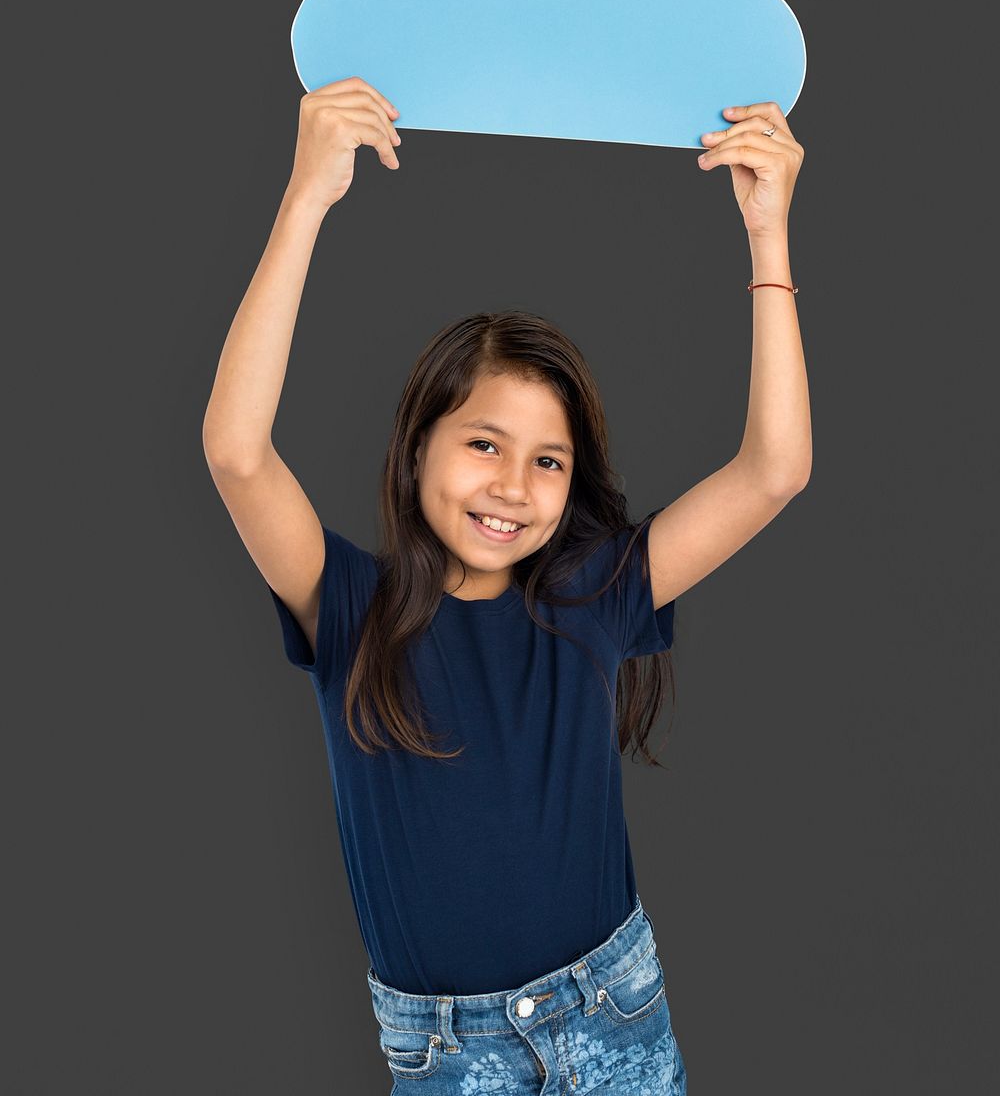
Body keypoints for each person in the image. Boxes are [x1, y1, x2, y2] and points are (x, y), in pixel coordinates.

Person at [203, 76, 810, 1093]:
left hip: (609, 1012)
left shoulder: (595, 592)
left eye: (548, 460)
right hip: (446, 1052)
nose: (511, 487)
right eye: (483, 443)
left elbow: (773, 470)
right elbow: (234, 450)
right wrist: (307, 196)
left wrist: (767, 238)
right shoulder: (348, 604)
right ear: (417, 446)